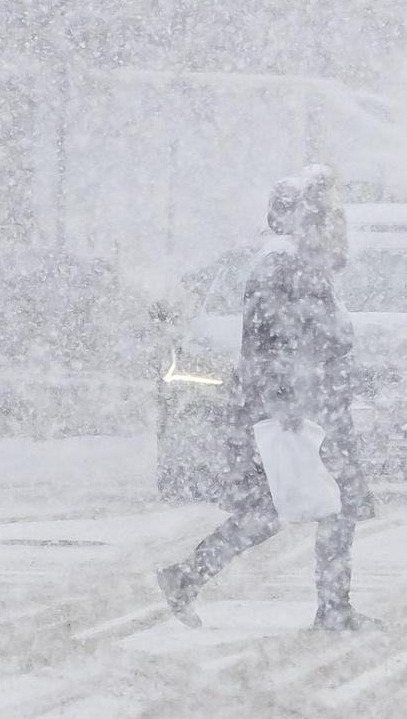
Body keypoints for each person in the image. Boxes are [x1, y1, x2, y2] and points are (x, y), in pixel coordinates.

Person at [156, 169, 376, 633]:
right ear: (305, 218)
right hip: (294, 412)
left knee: (290, 509)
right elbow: (270, 343)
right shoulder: (281, 268)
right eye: (330, 213)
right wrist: (286, 400)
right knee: (301, 507)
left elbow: (310, 338)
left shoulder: (302, 267)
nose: (340, 222)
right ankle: (330, 607)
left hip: (310, 406)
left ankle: (190, 577)